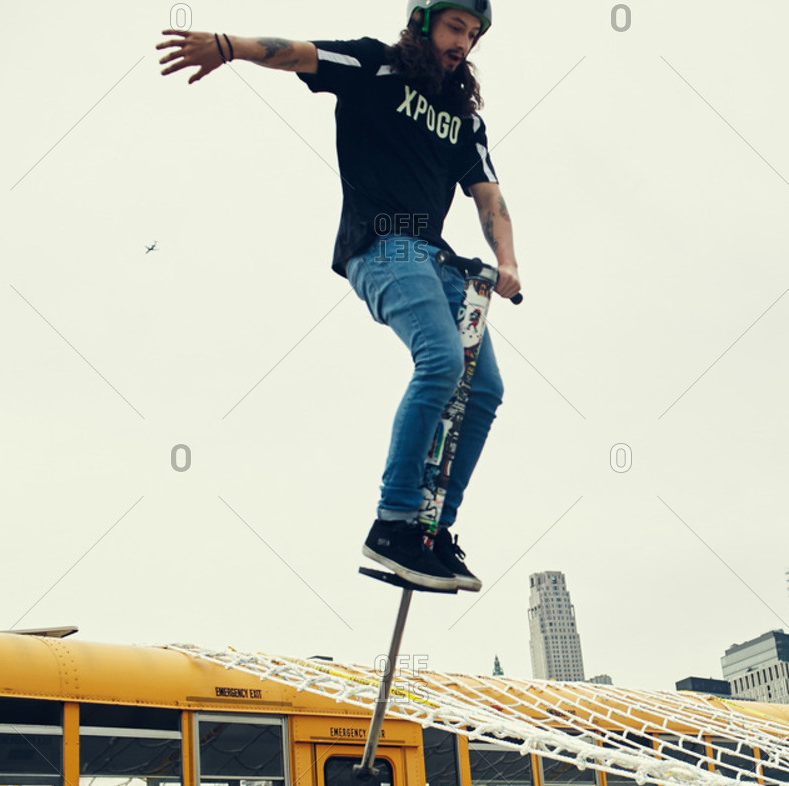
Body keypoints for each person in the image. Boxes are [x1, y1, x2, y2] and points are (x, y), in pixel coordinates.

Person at [157, 1, 520, 592]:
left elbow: (489, 197)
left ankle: (432, 533)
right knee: (443, 360)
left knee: (484, 390)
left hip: (439, 258)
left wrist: (507, 260)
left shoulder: (465, 117)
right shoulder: (376, 64)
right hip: (381, 247)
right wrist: (230, 45)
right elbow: (300, 53)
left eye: (474, 35)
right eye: (455, 28)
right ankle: (393, 525)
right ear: (424, 22)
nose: (464, 44)